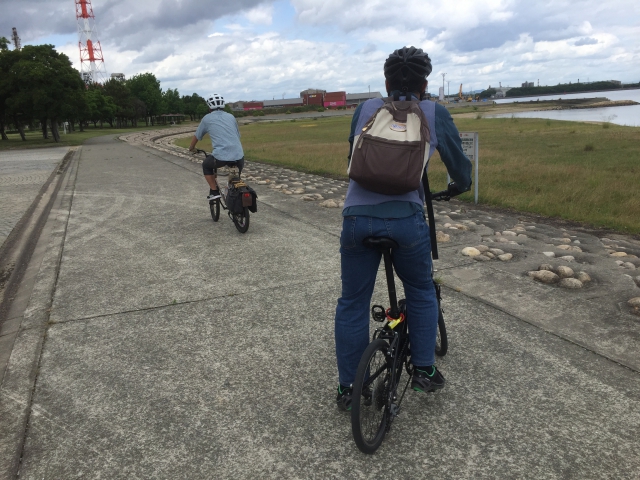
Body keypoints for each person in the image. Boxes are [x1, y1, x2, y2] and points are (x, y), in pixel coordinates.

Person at [335, 46, 473, 411]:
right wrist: (459, 186)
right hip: (406, 222)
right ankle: (424, 370)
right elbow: (460, 167)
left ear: (386, 83)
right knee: (421, 291)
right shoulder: (434, 112)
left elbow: (353, 154)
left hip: (356, 219)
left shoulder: (366, 108)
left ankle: (348, 387)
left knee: (352, 302)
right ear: (425, 84)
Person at [188, 94, 245, 201]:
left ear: (209, 107)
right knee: (235, 181)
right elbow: (238, 135)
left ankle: (214, 192)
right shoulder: (231, 117)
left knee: (206, 165)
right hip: (239, 156)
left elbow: (197, 136)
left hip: (220, 157)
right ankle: (234, 193)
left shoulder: (207, 118)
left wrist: (191, 148)